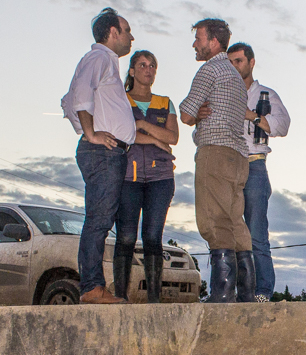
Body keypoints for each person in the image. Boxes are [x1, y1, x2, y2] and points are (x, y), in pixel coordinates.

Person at [60, 7, 136, 304]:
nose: (131, 37)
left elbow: (68, 103)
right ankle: (92, 286)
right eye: (127, 30)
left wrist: (85, 127)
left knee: (101, 218)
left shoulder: (106, 63)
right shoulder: (100, 57)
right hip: (102, 152)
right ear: (113, 32)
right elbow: (79, 95)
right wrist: (91, 133)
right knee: (99, 219)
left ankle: (94, 285)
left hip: (108, 152)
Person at [178, 18, 253, 302]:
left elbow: (185, 114)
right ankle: (246, 296)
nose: (195, 44)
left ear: (213, 42)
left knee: (214, 221)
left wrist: (197, 115)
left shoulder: (209, 70)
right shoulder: (235, 76)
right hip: (239, 157)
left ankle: (222, 295)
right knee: (236, 223)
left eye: (199, 38)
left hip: (215, 152)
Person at [113, 50, 179, 303]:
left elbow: (172, 138)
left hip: (160, 177)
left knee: (152, 237)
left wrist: (141, 126)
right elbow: (120, 135)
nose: (148, 69)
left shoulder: (164, 103)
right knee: (126, 237)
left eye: (152, 65)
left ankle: (154, 300)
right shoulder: (120, 100)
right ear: (131, 71)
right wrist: (153, 138)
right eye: (142, 65)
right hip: (128, 177)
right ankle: (120, 297)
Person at [226, 42, 290, 303]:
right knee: (226, 231)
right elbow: (199, 132)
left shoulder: (266, 94)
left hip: (254, 163)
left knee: (256, 231)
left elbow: (283, 125)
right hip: (227, 165)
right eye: (230, 62)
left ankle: (262, 291)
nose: (234, 66)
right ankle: (227, 291)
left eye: (238, 61)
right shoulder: (222, 94)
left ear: (251, 63)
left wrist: (252, 115)